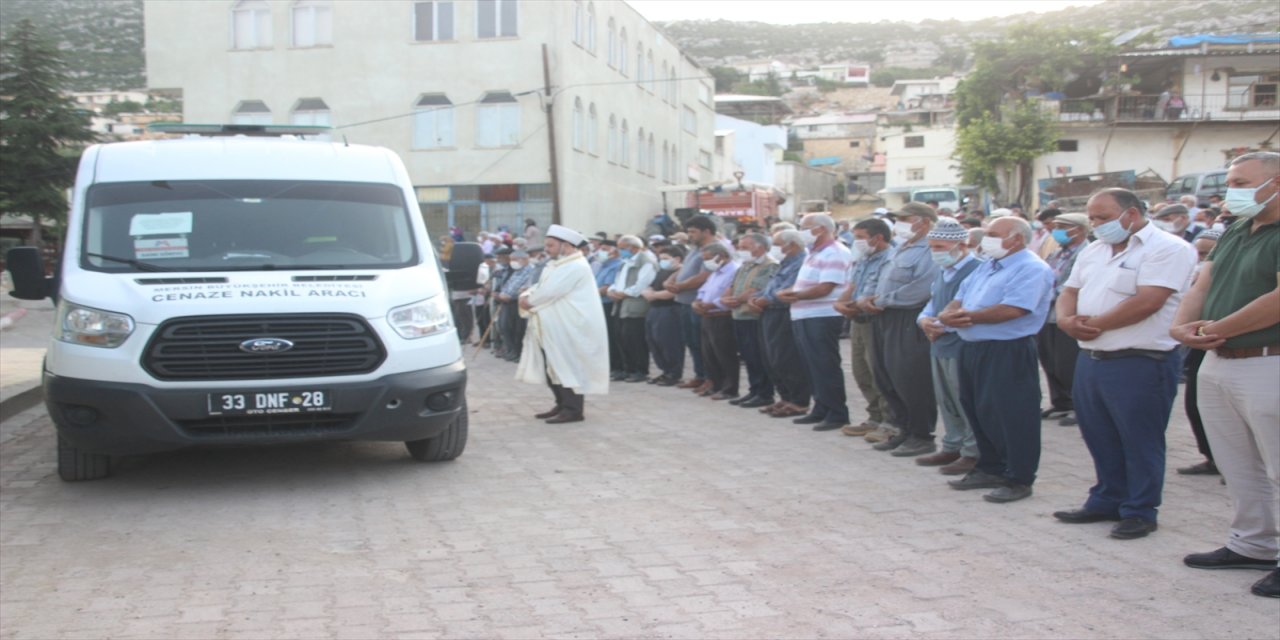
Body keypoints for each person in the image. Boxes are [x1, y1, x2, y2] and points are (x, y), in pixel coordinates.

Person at [1053, 188, 1198, 540]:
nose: (1095, 225)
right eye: (1092, 218)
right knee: (1099, 434)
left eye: (1102, 218)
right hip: (1092, 357)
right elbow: (1069, 291)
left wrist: (1093, 325)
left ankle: (1140, 510)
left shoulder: (1169, 248)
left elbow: (1148, 301)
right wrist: (1065, 320)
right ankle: (1106, 499)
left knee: (1139, 439)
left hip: (1140, 361)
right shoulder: (1094, 250)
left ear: (1131, 214)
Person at [1171, 151, 1279, 599]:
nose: (1229, 189)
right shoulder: (1237, 228)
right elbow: (1204, 283)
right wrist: (1182, 325)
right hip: (1220, 360)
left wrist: (1216, 329)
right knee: (1237, 463)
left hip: (1268, 360)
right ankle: (1252, 543)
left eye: (1241, 181)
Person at [940, 217, 1054, 503]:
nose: (985, 239)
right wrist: (950, 313)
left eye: (993, 234)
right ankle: (989, 467)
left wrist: (966, 317)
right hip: (972, 346)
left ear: (1016, 239)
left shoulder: (1032, 268)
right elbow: (960, 296)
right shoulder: (987, 265)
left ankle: (1019, 477)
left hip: (1007, 349)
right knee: (978, 409)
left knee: (1012, 414)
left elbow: (1015, 309)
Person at [865, 202, 940, 456]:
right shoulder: (901, 249)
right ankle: (903, 429)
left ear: (924, 222)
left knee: (910, 378)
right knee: (886, 376)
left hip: (908, 317)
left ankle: (922, 434)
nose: (899, 224)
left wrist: (883, 300)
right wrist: (871, 298)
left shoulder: (930, 249)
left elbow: (923, 287)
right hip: (884, 316)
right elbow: (880, 280)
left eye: (906, 219)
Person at [516, 225, 609, 424]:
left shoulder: (575, 266)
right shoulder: (559, 264)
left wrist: (528, 300)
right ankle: (561, 403)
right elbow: (540, 287)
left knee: (568, 367)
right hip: (555, 326)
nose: (546, 249)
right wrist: (527, 294)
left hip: (570, 326)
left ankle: (573, 409)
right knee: (554, 366)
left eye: (550, 245)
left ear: (565, 245)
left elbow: (549, 291)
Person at [915, 218, 983, 475]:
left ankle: (972, 452)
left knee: (964, 399)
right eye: (932, 247)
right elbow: (931, 304)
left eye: (940, 246)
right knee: (946, 400)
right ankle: (952, 445)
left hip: (961, 343)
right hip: (939, 343)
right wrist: (924, 321)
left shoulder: (977, 269)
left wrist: (941, 326)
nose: (936, 252)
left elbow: (973, 307)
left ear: (961, 245)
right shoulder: (944, 271)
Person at [776, 213, 853, 431]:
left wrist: (795, 295)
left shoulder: (835, 253)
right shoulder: (814, 253)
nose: (801, 232)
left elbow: (825, 287)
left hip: (822, 315)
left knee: (825, 365)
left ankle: (837, 413)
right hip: (805, 315)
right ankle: (821, 408)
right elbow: (807, 284)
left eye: (804, 227)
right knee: (812, 366)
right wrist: (792, 292)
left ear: (820, 229)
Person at [834, 218, 894, 438]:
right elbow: (853, 285)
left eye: (860, 237)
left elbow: (882, 291)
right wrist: (841, 303)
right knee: (862, 372)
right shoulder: (863, 259)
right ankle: (874, 416)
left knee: (879, 372)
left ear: (877, 237)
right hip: (857, 320)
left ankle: (889, 421)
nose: (856, 242)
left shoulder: (890, 258)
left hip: (876, 321)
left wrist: (855, 305)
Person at [748, 229, 811, 418]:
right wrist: (756, 299)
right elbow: (771, 287)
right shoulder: (783, 263)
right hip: (768, 312)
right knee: (772, 358)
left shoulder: (801, 262)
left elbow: (786, 290)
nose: (773, 248)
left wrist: (763, 300)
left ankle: (798, 401)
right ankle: (785, 397)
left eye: (776, 244)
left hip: (783, 312)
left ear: (791, 245)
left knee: (786, 357)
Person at [1037, 213, 1092, 426]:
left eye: (1062, 226)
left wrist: (1046, 295)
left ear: (1078, 229)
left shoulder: (1086, 253)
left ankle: (1079, 406)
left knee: (1068, 362)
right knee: (1050, 361)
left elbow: (1073, 285)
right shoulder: (1057, 253)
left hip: (1067, 313)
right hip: (1046, 315)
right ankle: (1060, 402)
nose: (1055, 230)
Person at [1177, 228, 1223, 476]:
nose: (1201, 260)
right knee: (1194, 404)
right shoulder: (1192, 275)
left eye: (1206, 255)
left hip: (1220, 340)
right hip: (1196, 345)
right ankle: (1211, 456)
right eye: (1199, 254)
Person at [723, 233, 779, 408]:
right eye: (739, 247)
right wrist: (726, 299)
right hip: (739, 315)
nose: (741, 251)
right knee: (748, 356)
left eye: (745, 248)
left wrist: (736, 299)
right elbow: (731, 287)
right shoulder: (745, 265)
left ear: (760, 247)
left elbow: (756, 290)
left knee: (758, 356)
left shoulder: (769, 266)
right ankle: (754, 390)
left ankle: (765, 393)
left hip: (754, 317)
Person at [692, 243, 741, 400]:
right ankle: (716, 385)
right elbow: (703, 291)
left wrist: (712, 304)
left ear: (721, 256)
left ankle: (730, 389)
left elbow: (730, 294)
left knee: (725, 355)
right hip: (707, 316)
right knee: (709, 355)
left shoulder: (734, 270)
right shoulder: (715, 272)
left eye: (708, 259)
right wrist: (697, 302)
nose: (706, 263)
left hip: (722, 316)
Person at [607, 235, 657, 383]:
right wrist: (612, 290)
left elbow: (642, 284)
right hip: (621, 303)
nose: (620, 251)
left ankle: (639, 370)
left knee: (635, 339)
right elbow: (617, 281)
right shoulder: (625, 262)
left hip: (635, 304)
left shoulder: (647, 262)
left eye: (623, 248)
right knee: (621, 337)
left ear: (634, 248)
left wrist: (624, 293)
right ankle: (626, 369)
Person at [641, 245, 686, 386]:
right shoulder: (663, 271)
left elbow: (672, 293)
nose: (662, 262)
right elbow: (649, 287)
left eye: (666, 259)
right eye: (661, 259)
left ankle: (674, 373)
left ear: (677, 259)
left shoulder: (682, 272)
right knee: (654, 341)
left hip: (670, 310)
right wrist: (649, 293)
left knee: (669, 342)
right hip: (655, 310)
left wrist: (653, 295)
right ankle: (665, 371)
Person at [496, 249, 535, 362]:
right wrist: (502, 294)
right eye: (511, 260)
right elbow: (508, 285)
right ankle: (511, 350)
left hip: (517, 303)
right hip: (506, 302)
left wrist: (508, 295)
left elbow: (523, 288)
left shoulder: (531, 271)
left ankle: (518, 353)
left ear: (524, 259)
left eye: (514, 260)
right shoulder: (517, 271)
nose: (512, 262)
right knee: (504, 327)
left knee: (518, 330)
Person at [594, 240, 624, 379]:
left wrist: (588, 293)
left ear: (615, 251)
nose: (601, 252)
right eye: (600, 249)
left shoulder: (617, 265)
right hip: (598, 304)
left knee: (612, 336)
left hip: (608, 304)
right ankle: (609, 365)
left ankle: (617, 366)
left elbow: (606, 287)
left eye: (605, 249)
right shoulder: (602, 265)